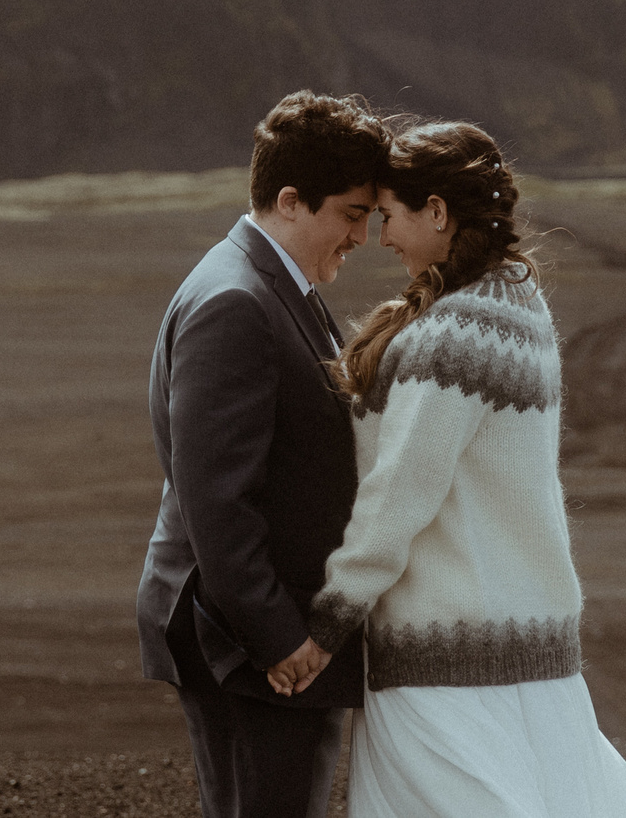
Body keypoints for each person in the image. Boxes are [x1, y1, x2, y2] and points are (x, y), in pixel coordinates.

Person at [284, 119, 626, 818]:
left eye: (392, 215)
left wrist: (331, 621)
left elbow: (400, 494)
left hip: (443, 663)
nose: (382, 236)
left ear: (437, 211)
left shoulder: (453, 335)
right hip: (535, 658)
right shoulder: (521, 308)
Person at [136, 90, 390, 818]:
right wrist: (280, 639)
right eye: (350, 213)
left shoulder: (274, 284)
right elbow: (217, 499)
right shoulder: (236, 302)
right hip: (248, 649)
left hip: (262, 638)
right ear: (289, 200)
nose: (363, 236)